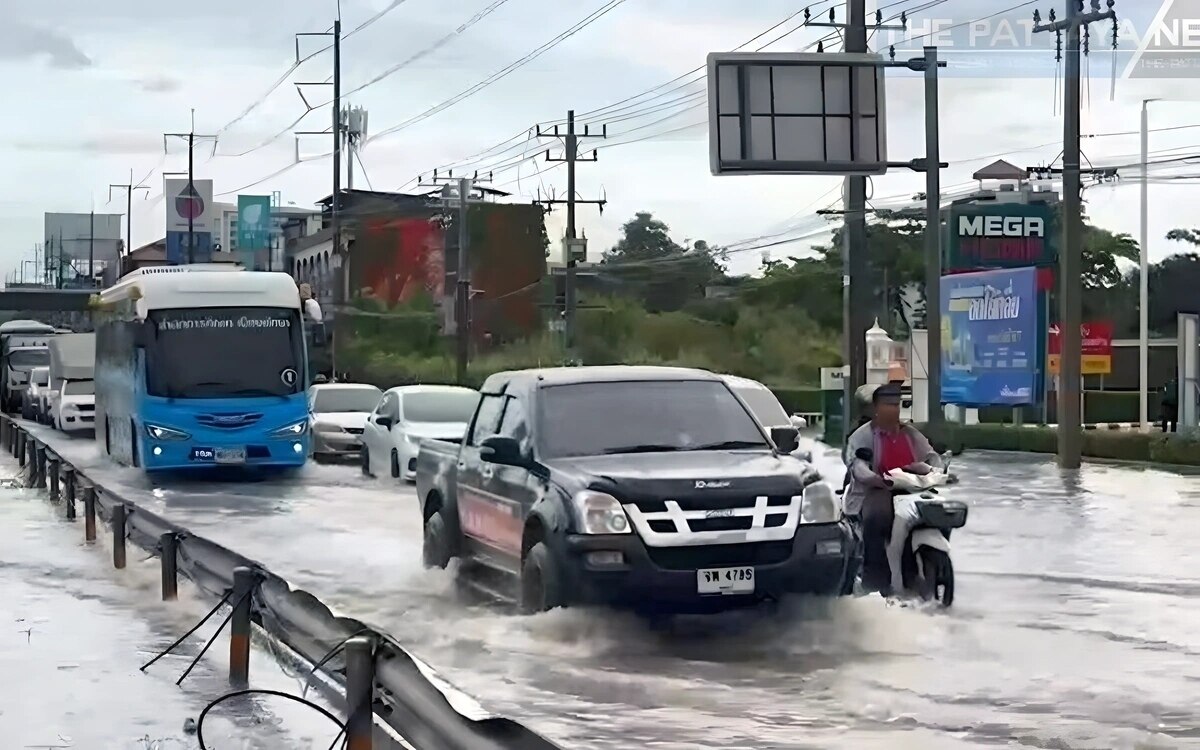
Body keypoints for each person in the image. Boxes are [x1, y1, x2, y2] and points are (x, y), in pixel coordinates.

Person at [843, 381, 942, 595]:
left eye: (896, 405)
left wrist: (938, 472)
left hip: (910, 489)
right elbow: (858, 467)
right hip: (875, 490)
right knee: (877, 518)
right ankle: (875, 579)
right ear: (875, 409)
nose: (893, 410)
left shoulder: (910, 434)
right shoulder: (862, 436)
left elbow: (932, 457)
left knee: (936, 513)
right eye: (887, 405)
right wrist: (876, 478)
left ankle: (916, 573)